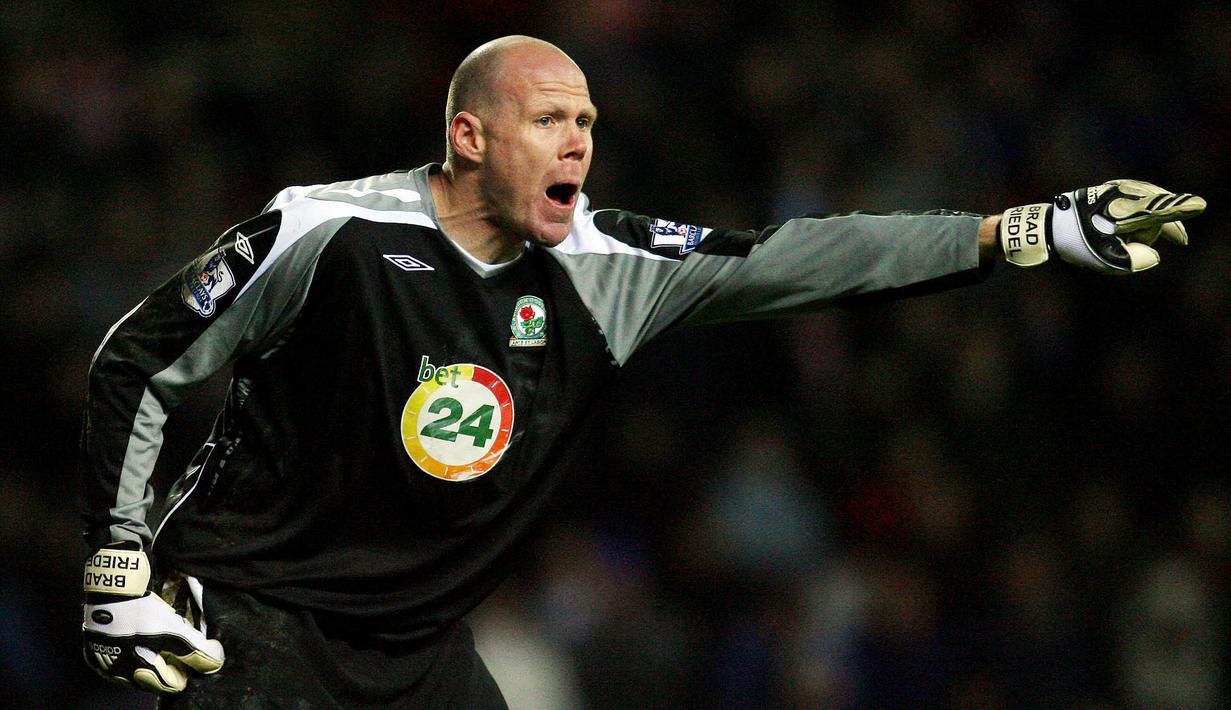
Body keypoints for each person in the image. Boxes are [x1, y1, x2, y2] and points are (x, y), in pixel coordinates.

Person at [78, 35, 1205, 708]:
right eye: (548, 119)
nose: (578, 142)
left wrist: (1026, 230)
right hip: (244, 618)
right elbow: (140, 358)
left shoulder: (609, 266)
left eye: (588, 121)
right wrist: (117, 567)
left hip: (416, 651)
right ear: (469, 136)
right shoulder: (324, 232)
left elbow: (806, 258)